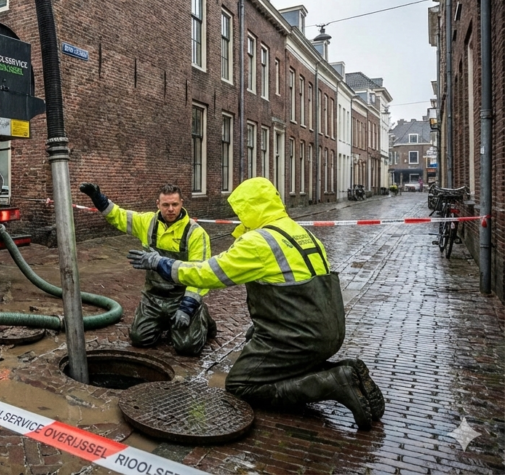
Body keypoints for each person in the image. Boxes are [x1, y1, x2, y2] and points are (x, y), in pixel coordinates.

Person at [126, 177, 384, 430]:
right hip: (330, 331)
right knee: (275, 369)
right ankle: (348, 371)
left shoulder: (259, 242)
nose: (238, 216)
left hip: (297, 337)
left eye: (240, 211)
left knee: (241, 384)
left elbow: (208, 273)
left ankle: (334, 382)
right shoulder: (301, 232)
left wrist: (161, 263)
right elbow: (292, 287)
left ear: (249, 208)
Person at [79, 182, 216, 356]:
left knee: (187, 348)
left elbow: (201, 274)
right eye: (166, 205)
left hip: (180, 296)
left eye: (175, 204)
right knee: (139, 338)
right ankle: (164, 321)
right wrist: (98, 199)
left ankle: (201, 314)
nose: (171, 209)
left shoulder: (195, 233)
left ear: (182, 203)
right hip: (153, 296)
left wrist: (188, 307)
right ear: (158, 205)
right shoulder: (148, 222)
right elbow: (119, 216)